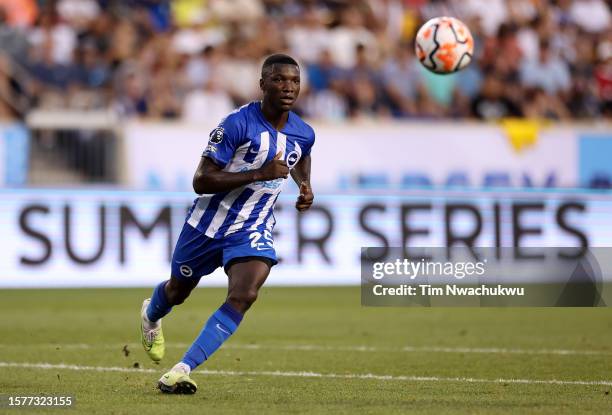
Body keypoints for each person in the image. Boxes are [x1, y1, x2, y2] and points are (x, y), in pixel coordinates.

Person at [139, 53, 315, 394]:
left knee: (245, 294)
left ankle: (181, 370)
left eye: (294, 81)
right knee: (178, 290)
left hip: (252, 227)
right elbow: (201, 180)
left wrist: (305, 185)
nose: (288, 87)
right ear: (262, 84)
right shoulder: (236, 124)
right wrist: (258, 173)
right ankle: (151, 314)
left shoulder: (304, 132)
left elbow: (300, 157)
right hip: (205, 226)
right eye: (279, 80)